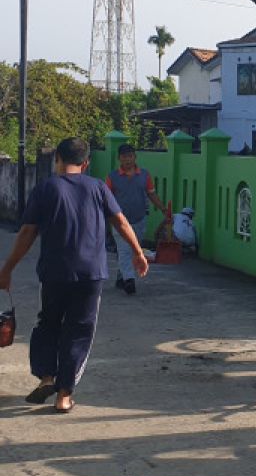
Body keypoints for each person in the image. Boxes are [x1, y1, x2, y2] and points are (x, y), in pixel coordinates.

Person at [0, 137, 149, 413]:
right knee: (79, 330)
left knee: (49, 322)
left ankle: (47, 376)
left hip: (55, 272)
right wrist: (138, 252)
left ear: (57, 158)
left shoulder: (45, 188)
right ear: (86, 163)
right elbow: (121, 221)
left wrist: (7, 268)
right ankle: (64, 396)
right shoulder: (98, 187)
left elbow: (26, 234)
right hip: (91, 273)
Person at [105, 144, 166, 294]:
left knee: (133, 250)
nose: (128, 160)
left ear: (135, 157)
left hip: (139, 220)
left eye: (130, 156)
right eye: (124, 157)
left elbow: (151, 194)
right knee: (124, 250)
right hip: (119, 221)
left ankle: (121, 277)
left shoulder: (144, 175)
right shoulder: (112, 177)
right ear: (119, 158)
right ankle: (129, 281)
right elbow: (106, 199)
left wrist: (163, 208)